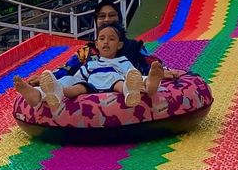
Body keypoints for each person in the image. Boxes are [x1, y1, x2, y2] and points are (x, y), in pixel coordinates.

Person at [14, 23, 164, 109]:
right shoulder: (91, 62)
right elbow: (77, 76)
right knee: (70, 82)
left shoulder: (122, 60)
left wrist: (138, 80)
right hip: (89, 85)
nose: (106, 42)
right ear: (96, 44)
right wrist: (61, 80)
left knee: (122, 81)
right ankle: (40, 94)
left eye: (111, 39)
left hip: (116, 83)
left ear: (119, 45)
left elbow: (131, 73)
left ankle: (146, 86)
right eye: (102, 39)